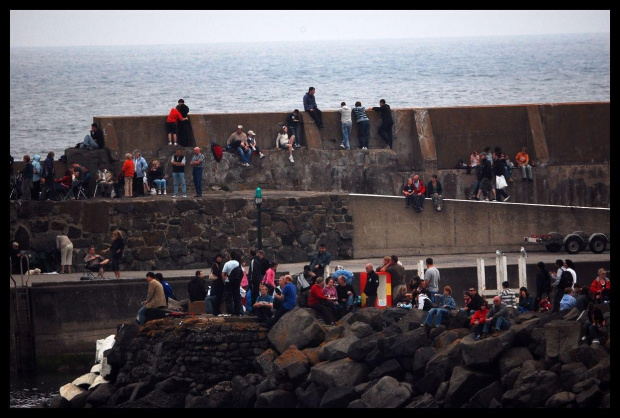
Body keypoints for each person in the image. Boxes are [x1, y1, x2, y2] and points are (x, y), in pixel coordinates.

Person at [221, 250, 244, 316]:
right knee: (236, 297)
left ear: (230, 256)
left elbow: (223, 273)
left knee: (228, 297)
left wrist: (224, 281)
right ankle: (238, 311)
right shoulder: (238, 263)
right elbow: (241, 272)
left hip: (228, 281)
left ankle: (230, 311)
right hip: (236, 282)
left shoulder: (227, 263)